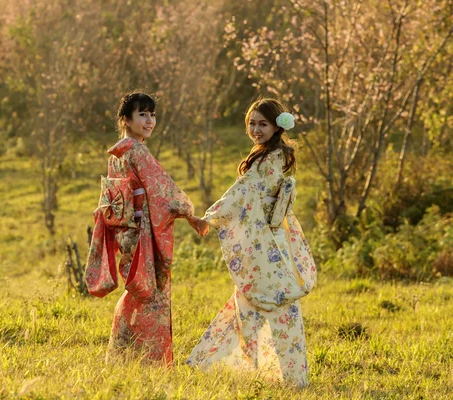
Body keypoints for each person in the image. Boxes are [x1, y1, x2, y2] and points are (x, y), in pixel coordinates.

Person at [187, 98, 317, 386]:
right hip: (263, 239)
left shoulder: (273, 157)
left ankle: (288, 376)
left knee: (275, 303)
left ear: (276, 127)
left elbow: (243, 191)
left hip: (268, 241)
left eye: (263, 124)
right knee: (250, 300)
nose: (256, 129)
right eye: (252, 123)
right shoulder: (267, 154)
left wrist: (209, 218)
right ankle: (242, 366)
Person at [85, 92, 206, 365]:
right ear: (126, 119)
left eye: (152, 115)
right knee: (152, 294)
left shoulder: (117, 153)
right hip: (141, 234)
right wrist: (189, 213)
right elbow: (163, 190)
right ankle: (149, 359)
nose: (149, 120)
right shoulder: (137, 151)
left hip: (125, 234)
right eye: (142, 114)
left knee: (137, 290)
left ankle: (123, 352)